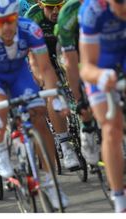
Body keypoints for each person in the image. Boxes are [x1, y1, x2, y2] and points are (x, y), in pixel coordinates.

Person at [0, 0, 68, 209]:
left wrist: (54, 97)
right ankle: (0, 146)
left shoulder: (30, 29)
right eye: (1, 22)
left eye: (11, 20)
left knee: (39, 115)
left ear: (17, 16)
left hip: (19, 74)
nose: (7, 27)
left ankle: (50, 182)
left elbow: (45, 68)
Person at [78, 0, 126, 213]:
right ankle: (119, 198)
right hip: (101, 65)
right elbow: (86, 67)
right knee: (111, 129)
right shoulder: (92, 11)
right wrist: (100, 76)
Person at [25, 0, 80, 170]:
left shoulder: (71, 10)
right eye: (50, 7)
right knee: (52, 91)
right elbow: (32, 56)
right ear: (41, 5)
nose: (55, 11)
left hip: (67, 45)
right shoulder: (33, 17)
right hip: (43, 54)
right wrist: (41, 76)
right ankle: (65, 144)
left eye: (59, 5)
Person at [56, 0, 100, 166]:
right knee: (82, 80)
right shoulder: (69, 12)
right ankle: (87, 125)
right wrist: (79, 99)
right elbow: (71, 64)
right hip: (72, 48)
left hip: (103, 45)